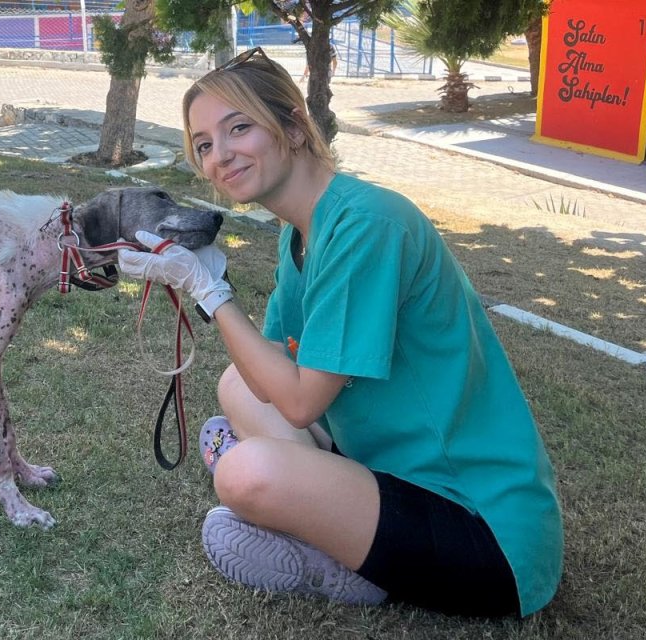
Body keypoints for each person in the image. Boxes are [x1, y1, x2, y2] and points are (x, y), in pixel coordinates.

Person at [117, 47, 563, 618]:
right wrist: (208, 280)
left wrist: (210, 292)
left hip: (485, 532)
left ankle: (337, 553)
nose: (219, 155)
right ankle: (309, 504)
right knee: (236, 385)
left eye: (238, 128)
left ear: (293, 126)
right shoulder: (300, 234)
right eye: (203, 145)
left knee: (244, 473)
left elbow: (300, 403)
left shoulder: (366, 225)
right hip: (382, 470)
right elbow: (269, 371)